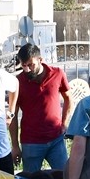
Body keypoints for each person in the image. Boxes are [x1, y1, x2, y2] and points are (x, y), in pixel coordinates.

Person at [10, 43, 71, 171]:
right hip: (31, 142)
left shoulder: (57, 74)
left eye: (31, 64)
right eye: (23, 65)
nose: (27, 69)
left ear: (40, 60)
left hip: (56, 140)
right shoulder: (18, 82)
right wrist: (15, 146)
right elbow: (12, 115)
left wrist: (64, 123)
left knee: (65, 176)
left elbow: (68, 98)